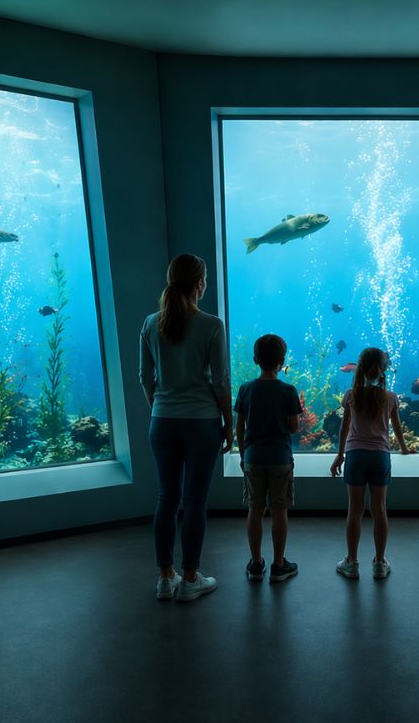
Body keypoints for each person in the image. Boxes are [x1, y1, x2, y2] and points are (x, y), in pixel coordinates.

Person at [139, 253, 233, 602]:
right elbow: (221, 381)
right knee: (194, 501)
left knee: (166, 498)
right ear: (200, 284)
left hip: (161, 421)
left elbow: (144, 377)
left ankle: (165, 578)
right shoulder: (211, 324)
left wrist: (160, 409)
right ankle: (191, 579)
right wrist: (229, 423)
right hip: (202, 422)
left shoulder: (151, 323)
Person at [330, 347, 413, 579]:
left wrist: (340, 455)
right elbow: (396, 428)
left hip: (355, 455)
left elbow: (344, 428)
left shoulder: (350, 395)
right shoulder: (390, 397)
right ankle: (379, 563)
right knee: (380, 510)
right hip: (380, 456)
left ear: (361, 369)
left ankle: (352, 562)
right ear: (382, 370)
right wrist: (404, 449)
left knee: (355, 510)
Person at [234, 334, 302, 584]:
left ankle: (255, 563)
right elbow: (294, 427)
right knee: (279, 510)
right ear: (282, 361)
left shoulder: (245, 389)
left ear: (255, 360)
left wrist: (243, 455)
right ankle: (279, 564)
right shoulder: (288, 390)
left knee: (255, 508)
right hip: (280, 458)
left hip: (252, 458)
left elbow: (239, 427)